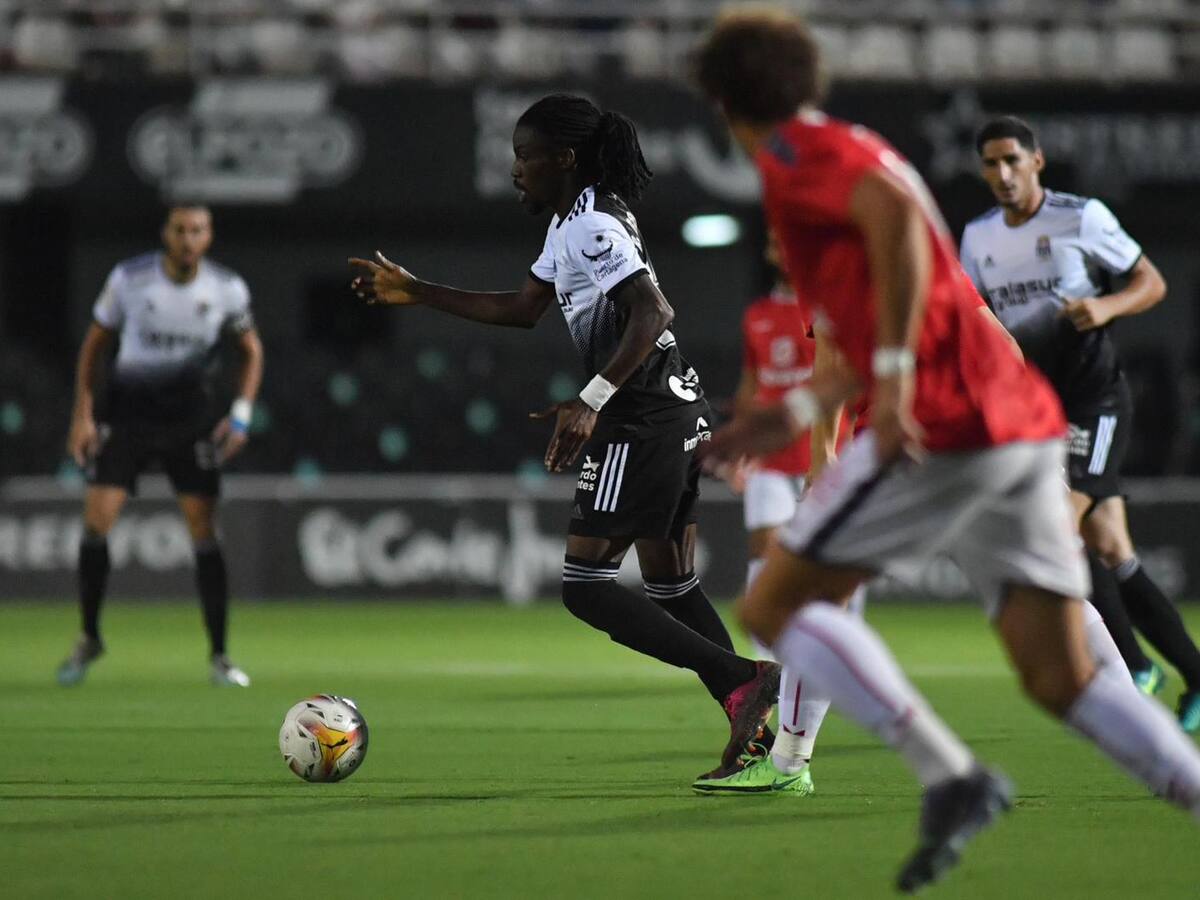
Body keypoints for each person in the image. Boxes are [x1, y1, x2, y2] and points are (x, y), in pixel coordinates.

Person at [693, 8, 1200, 893]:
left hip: (944, 422)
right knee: (1061, 674)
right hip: (1010, 421)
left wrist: (893, 385)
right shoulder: (842, 152)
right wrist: (788, 416)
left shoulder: (801, 160)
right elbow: (892, 310)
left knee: (778, 600)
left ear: (726, 103)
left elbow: (894, 230)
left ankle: (947, 776)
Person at [348, 93, 779, 773]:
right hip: (670, 409)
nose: (515, 169)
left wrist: (591, 399)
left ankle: (744, 679)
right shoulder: (573, 221)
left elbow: (653, 310)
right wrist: (420, 291)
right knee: (671, 585)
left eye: (526, 156)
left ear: (565, 159)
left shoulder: (591, 225)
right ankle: (748, 720)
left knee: (585, 586)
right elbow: (524, 309)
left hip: (642, 417)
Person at [960, 116, 1200, 732]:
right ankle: (1192, 676)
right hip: (1034, 406)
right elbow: (976, 322)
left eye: (1013, 160)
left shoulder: (1080, 217)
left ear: (1037, 160)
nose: (1003, 174)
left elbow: (1151, 282)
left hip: (1093, 398)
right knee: (1111, 545)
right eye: (991, 163)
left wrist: (1107, 304)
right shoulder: (978, 237)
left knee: (1057, 524)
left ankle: (1132, 666)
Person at [57, 205, 262, 687]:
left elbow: (251, 350)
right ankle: (89, 636)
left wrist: (241, 413)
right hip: (128, 417)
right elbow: (94, 345)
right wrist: (83, 415)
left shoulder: (226, 288)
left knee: (203, 529)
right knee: (96, 522)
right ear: (166, 234)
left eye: (197, 230)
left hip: (190, 421)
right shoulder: (130, 279)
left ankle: (220, 655)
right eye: (180, 230)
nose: (188, 239)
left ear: (208, 236)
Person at [695, 236, 862, 796]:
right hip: (791, 460)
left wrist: (825, 457)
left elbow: (831, 379)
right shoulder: (764, 314)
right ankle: (784, 726)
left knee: (812, 601)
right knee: (791, 582)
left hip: (864, 454)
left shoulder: (838, 285)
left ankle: (789, 752)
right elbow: (759, 387)